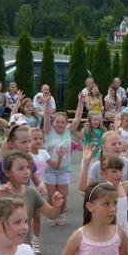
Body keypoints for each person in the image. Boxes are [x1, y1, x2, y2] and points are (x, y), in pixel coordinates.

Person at [43, 93, 83, 227]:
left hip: (64, 169)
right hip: (50, 169)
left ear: (66, 124)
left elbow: (77, 118)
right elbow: (46, 118)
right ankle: (51, 215)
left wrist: (81, 102)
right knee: (51, 196)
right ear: (54, 123)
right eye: (57, 122)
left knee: (63, 196)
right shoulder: (49, 132)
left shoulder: (68, 132)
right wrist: (47, 103)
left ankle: (60, 214)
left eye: (63, 122)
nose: (60, 124)